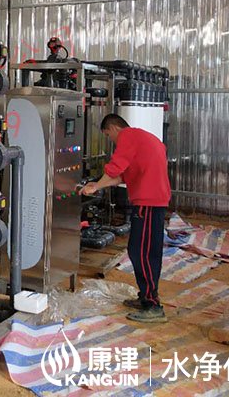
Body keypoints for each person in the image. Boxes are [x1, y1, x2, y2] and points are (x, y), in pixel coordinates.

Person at [81, 114, 171, 323]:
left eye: (108, 135)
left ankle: (153, 305)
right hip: (152, 201)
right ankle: (146, 296)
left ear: (113, 128)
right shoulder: (143, 138)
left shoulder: (128, 137)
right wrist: (97, 185)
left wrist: (94, 186)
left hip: (148, 202)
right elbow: (121, 176)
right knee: (141, 250)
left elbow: (115, 167)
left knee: (143, 253)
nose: (111, 140)